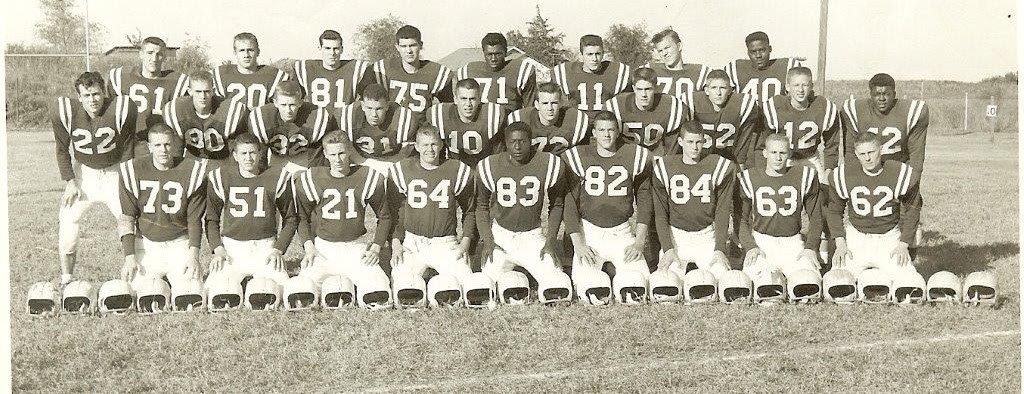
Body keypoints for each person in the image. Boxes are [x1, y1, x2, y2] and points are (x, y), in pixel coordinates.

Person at [52, 71, 138, 285]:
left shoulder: (120, 109)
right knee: (67, 219)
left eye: (97, 94)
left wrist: (127, 181)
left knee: (130, 219)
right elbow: (62, 149)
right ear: (79, 97)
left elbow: (128, 148)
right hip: (84, 174)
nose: (93, 100)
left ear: (104, 92)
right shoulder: (66, 112)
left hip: (114, 172)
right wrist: (70, 182)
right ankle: (67, 278)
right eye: (87, 95)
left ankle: (138, 274)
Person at [562, 111, 653, 296]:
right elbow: (569, 202)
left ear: (618, 131)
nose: (606, 135)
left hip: (621, 233)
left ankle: (611, 270)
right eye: (601, 130)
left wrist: (639, 242)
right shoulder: (578, 156)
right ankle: (607, 271)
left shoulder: (633, 155)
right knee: (588, 287)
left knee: (640, 283)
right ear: (594, 133)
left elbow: (644, 199)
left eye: (611, 129)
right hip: (590, 232)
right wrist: (578, 245)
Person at [840, 73, 929, 258]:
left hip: (899, 171)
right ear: (870, 94)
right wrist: (854, 177)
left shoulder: (912, 112)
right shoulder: (855, 111)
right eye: (877, 94)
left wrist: (912, 183)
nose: (881, 98)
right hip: (869, 170)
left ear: (894, 93)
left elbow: (917, 153)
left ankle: (908, 259)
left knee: (909, 214)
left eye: (886, 93)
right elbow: (850, 150)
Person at [476, 122, 567, 291]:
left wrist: (550, 241)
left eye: (522, 141)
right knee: (484, 285)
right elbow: (481, 207)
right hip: (501, 236)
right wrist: (488, 241)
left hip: (531, 236)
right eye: (512, 142)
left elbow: (557, 204)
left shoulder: (548, 163)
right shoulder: (490, 165)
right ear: (505, 142)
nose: (517, 146)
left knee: (556, 280)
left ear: (531, 141)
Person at [295, 131, 393, 288]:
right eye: (332, 154)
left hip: (355, 247)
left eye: (341, 153)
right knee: (302, 288)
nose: (337, 159)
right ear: (325, 154)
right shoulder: (312, 178)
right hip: (323, 249)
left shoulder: (367, 176)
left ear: (349, 151)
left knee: (379, 286)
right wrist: (309, 247)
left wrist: (375, 248)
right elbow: (301, 217)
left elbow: (385, 217)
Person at [117, 125, 206, 290]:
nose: (163, 150)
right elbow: (127, 217)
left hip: (179, 244)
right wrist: (130, 257)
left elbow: (194, 219)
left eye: (167, 144)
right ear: (149, 147)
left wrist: (194, 256)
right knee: (137, 292)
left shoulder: (192, 170)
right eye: (157, 145)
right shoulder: (133, 169)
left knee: (191, 292)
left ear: (174, 145)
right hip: (146, 245)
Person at [204, 133, 295, 287]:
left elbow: (291, 219)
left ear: (260, 153)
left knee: (283, 290)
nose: (248, 158)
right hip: (233, 249)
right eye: (243, 153)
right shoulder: (222, 177)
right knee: (212, 291)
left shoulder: (275, 176)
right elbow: (211, 219)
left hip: (265, 248)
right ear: (235, 156)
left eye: (253, 152)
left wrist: (278, 250)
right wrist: (218, 249)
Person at [826, 132, 921, 278]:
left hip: (888, 238)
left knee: (909, 282)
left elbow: (912, 210)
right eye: (862, 153)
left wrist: (903, 244)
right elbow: (834, 211)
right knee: (837, 281)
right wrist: (840, 242)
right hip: (857, 238)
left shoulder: (899, 172)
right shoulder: (845, 174)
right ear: (856, 154)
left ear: (881, 149)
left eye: (871, 152)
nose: (867, 158)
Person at [388, 125, 476, 283]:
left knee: (465, 282)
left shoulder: (456, 169)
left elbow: (469, 210)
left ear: (441, 144)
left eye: (434, 144)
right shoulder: (403, 169)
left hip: (445, 242)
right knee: (402, 284)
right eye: (425, 145)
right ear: (416, 146)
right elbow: (396, 211)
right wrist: (396, 243)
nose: (430, 149)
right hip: (413, 242)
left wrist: (465, 242)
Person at [652, 121, 736, 279]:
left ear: (704, 141)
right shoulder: (664, 166)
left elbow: (722, 211)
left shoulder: (717, 165)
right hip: (676, 237)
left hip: (706, 236)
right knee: (666, 284)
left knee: (723, 279)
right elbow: (660, 213)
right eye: (690, 142)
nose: (695, 147)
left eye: (699, 142)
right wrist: (668, 248)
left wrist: (719, 248)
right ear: (680, 142)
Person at [737, 134, 823, 283]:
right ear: (765, 153)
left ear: (789, 154)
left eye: (782, 153)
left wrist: (810, 247)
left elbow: (816, 216)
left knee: (809, 281)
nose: (778, 158)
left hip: (792, 243)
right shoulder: (749, 177)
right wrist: (750, 246)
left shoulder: (804, 175)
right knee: (754, 284)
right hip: (762, 242)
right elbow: (741, 220)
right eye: (773, 152)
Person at [106, 36, 189, 148]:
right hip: (130, 142)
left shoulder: (176, 81)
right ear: (141, 54)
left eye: (159, 54)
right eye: (150, 53)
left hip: (160, 144)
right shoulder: (122, 77)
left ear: (164, 57)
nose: (154, 58)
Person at [357, 25, 453, 121]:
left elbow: (449, 108)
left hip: (420, 131)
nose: (408, 51)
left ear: (421, 45)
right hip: (391, 129)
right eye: (404, 46)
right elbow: (364, 100)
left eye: (413, 45)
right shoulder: (383, 69)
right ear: (397, 47)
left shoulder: (435, 72)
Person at [162, 71, 248, 169]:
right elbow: (177, 147)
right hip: (192, 160)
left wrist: (232, 170)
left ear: (213, 91)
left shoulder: (228, 110)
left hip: (222, 161)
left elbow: (236, 146)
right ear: (190, 91)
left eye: (207, 91)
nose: (203, 96)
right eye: (198, 91)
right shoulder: (177, 110)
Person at [249, 80, 337, 173]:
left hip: (304, 158)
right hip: (275, 157)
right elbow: (260, 155)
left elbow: (317, 157)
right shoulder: (262, 119)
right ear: (275, 103)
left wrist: (314, 175)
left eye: (292, 105)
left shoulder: (316, 118)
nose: (288, 110)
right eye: (283, 105)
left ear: (300, 103)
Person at [604, 67, 689, 156]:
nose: (643, 95)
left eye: (648, 89)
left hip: (655, 156)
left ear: (656, 88)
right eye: (639, 89)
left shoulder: (671, 107)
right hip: (625, 157)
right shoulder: (616, 106)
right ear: (633, 88)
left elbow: (671, 150)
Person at [337, 83, 420, 175]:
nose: (374, 115)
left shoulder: (403, 119)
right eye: (369, 108)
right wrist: (366, 163)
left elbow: (406, 150)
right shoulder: (349, 117)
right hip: (359, 163)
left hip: (393, 163)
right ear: (362, 106)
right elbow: (344, 147)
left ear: (387, 106)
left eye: (379, 109)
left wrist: (387, 165)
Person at [688, 70, 761, 169]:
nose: (718, 93)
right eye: (714, 88)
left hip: (727, 161)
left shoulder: (742, 105)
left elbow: (743, 144)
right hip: (699, 160)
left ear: (730, 90)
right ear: (706, 90)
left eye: (722, 88)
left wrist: (739, 170)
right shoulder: (692, 103)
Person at [428, 78, 506, 167]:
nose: (468, 104)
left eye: (472, 99)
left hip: (484, 168)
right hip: (455, 168)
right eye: (463, 98)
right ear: (455, 99)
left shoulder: (492, 114)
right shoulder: (441, 114)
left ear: (479, 99)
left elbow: (500, 150)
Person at [552, 34, 631, 118]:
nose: (594, 59)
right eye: (589, 54)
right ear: (581, 55)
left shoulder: (616, 71)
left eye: (598, 54)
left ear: (603, 53)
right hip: (577, 122)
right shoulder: (565, 71)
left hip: (605, 125)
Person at [455, 32, 538, 112]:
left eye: (498, 54)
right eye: (489, 54)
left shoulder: (521, 70)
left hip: (509, 123)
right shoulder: (469, 70)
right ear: (483, 53)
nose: (493, 59)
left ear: (505, 52)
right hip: (478, 124)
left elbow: (529, 109)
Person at [507, 82, 590, 155]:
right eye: (545, 103)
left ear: (561, 103)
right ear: (537, 104)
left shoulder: (574, 118)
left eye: (554, 103)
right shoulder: (521, 118)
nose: (550, 108)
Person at [293, 29, 369, 110]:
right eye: (327, 48)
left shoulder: (355, 68)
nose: (332, 53)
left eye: (336, 48)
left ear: (341, 49)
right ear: (320, 48)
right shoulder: (305, 69)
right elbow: (292, 99)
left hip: (345, 121)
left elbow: (370, 100)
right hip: (315, 121)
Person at [213, 32, 290, 109]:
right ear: (235, 52)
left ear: (258, 52)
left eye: (250, 50)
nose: (246, 55)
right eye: (242, 50)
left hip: (262, 120)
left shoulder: (273, 75)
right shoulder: (222, 74)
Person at [725, 31, 803, 100]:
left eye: (762, 50)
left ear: (770, 49)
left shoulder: (788, 66)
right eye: (753, 52)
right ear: (748, 53)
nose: (758, 55)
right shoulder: (735, 68)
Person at [646, 29, 711, 103]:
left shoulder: (700, 72)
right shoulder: (650, 70)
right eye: (660, 51)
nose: (664, 53)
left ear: (679, 46)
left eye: (667, 48)